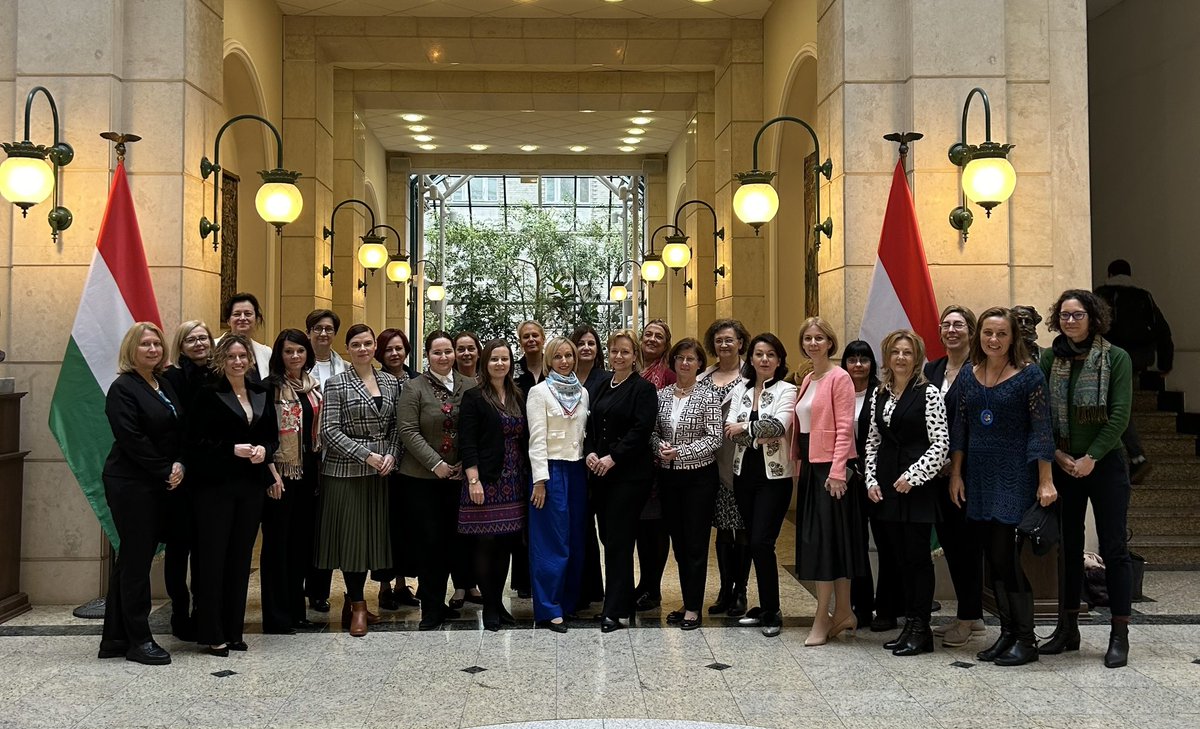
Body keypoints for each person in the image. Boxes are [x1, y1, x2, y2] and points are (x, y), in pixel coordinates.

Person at [949, 307, 1056, 667]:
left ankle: (1026, 640)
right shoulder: (968, 375)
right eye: (987, 333)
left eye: (1001, 334)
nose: (993, 340)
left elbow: (1042, 431)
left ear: (1013, 338)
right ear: (979, 337)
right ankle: (1007, 634)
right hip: (977, 478)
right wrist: (956, 474)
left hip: (1014, 478)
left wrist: (1045, 480)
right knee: (991, 564)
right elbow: (960, 430)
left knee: (1006, 560)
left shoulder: (1029, 377)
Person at [1039, 289, 1134, 669]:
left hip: (1105, 465)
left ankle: (1119, 633)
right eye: (1064, 315)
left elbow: (1120, 415)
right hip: (1064, 465)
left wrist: (1091, 457)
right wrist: (1060, 456)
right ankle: (1067, 628)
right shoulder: (1049, 358)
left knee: (1114, 548)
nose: (1070, 321)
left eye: (1077, 315)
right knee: (1068, 546)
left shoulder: (1116, 358)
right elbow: (1040, 412)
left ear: (1093, 318)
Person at [97, 322, 184, 666]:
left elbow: (179, 430)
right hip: (130, 482)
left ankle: (114, 638)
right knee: (136, 562)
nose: (152, 349)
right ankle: (139, 639)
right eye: (145, 344)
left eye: (157, 344)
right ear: (131, 350)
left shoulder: (162, 384)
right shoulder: (123, 388)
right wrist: (165, 468)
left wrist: (179, 463)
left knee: (131, 560)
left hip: (157, 481)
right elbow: (131, 437)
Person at [188, 334, 277, 655]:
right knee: (213, 560)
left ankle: (234, 631)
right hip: (214, 490)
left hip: (250, 489)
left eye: (243, 356)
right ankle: (212, 633)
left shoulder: (261, 392)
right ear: (220, 361)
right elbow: (194, 444)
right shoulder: (207, 395)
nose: (238, 362)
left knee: (240, 560)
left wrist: (263, 451)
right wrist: (231, 450)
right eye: (231, 357)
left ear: (251, 361)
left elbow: (272, 440)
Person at [865, 330, 950, 656]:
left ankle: (921, 629)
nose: (901, 358)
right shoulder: (879, 394)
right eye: (895, 352)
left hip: (916, 488)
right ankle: (908, 627)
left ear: (917, 358)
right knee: (898, 560)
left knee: (917, 561)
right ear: (887, 357)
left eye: (908, 353)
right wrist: (871, 480)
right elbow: (873, 441)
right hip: (886, 486)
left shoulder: (928, 393)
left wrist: (913, 477)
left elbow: (941, 443)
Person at [316, 324, 400, 637]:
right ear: (348, 349)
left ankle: (354, 603)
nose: (363, 349)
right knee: (351, 541)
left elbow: (396, 428)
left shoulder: (390, 382)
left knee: (371, 541)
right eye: (356, 344)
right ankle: (359, 606)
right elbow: (329, 431)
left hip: (381, 473)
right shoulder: (337, 384)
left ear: (374, 347)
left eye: (367, 343)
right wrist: (367, 455)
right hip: (346, 473)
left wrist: (391, 454)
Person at [790, 319, 866, 645]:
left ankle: (823, 617)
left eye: (819, 338)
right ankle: (845, 611)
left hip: (831, 471)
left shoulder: (840, 377)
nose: (813, 343)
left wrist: (837, 472)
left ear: (830, 342)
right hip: (811, 467)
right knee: (829, 543)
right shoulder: (808, 378)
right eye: (807, 338)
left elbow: (845, 427)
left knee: (827, 545)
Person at [398, 330, 475, 630]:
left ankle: (446, 601)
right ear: (426, 355)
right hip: (422, 479)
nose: (443, 357)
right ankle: (431, 607)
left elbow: (475, 427)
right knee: (429, 543)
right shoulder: (413, 387)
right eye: (437, 352)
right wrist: (437, 464)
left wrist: (461, 464)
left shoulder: (470, 386)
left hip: (459, 477)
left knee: (455, 542)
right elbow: (407, 430)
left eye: (448, 352)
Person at [726, 332, 797, 638]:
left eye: (770, 354)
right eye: (758, 354)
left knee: (761, 542)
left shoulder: (788, 390)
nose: (764, 359)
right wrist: (755, 433)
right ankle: (765, 604)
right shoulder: (740, 389)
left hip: (775, 477)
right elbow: (729, 429)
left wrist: (747, 428)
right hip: (744, 475)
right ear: (750, 359)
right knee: (751, 541)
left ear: (779, 360)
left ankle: (772, 611)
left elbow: (779, 425)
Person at [586, 330, 658, 632]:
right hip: (601, 474)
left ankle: (614, 611)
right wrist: (590, 452)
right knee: (610, 539)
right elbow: (590, 423)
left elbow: (640, 432)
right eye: (614, 351)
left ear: (635, 356)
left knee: (619, 542)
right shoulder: (603, 384)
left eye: (625, 352)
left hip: (628, 477)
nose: (618, 357)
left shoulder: (643, 389)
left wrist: (612, 457)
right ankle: (622, 602)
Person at [924, 305, 986, 648]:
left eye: (958, 325)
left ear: (971, 331)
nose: (951, 330)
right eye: (946, 324)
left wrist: (956, 463)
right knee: (950, 542)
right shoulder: (932, 369)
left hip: (969, 471)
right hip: (937, 472)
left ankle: (967, 618)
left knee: (967, 546)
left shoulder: (979, 370)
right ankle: (970, 616)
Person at [651, 338, 723, 630]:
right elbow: (652, 431)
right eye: (680, 358)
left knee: (695, 544)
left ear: (699, 364)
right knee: (679, 545)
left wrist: (681, 451)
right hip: (669, 478)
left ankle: (694, 608)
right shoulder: (662, 395)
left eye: (691, 359)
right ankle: (687, 599)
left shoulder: (709, 395)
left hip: (699, 479)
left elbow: (715, 437)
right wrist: (660, 448)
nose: (684, 363)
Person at [459, 339, 529, 632]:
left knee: (506, 545)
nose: (500, 364)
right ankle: (489, 606)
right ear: (485, 364)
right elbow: (468, 441)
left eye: (505, 359)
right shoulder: (474, 397)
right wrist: (472, 479)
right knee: (485, 543)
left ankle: (498, 602)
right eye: (494, 359)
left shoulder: (517, 394)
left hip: (514, 479)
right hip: (485, 480)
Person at [259, 329, 322, 634]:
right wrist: (269, 473)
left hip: (308, 473)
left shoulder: (312, 387)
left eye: (300, 351)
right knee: (277, 546)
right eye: (288, 352)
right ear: (278, 355)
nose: (295, 356)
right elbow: (262, 435)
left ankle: (297, 611)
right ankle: (276, 616)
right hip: (280, 475)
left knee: (300, 546)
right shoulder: (269, 388)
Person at [526, 336, 590, 633]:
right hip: (550, 472)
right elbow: (536, 440)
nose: (565, 361)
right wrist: (540, 481)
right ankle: (548, 609)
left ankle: (567, 603)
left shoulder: (583, 392)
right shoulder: (539, 393)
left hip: (577, 471)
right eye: (558, 357)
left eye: (569, 356)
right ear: (549, 360)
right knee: (552, 543)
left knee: (575, 540)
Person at [1095, 258, 1174, 483]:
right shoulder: (1144, 296)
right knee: (1118, 402)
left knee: (1115, 406)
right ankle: (1130, 456)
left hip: (1111, 357)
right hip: (1139, 358)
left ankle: (1137, 456)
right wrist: (1165, 365)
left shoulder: (1101, 294)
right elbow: (1163, 332)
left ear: (1109, 273)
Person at [160, 319, 213, 641]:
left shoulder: (220, 375)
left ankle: (202, 610)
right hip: (181, 475)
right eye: (191, 339)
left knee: (206, 549)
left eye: (203, 338)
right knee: (179, 549)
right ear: (180, 345)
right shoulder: (170, 378)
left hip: (210, 476)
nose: (198, 344)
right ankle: (179, 611)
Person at [700, 319, 752, 619]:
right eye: (719, 340)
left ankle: (741, 591)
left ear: (741, 342)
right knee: (722, 530)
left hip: (742, 461)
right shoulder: (705, 377)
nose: (724, 344)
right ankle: (724, 589)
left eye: (730, 339)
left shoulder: (751, 375)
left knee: (742, 528)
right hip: (711, 463)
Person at [840, 339, 892, 632]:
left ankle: (886, 607)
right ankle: (861, 607)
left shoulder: (883, 393)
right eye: (852, 359)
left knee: (885, 544)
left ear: (873, 363)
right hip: (847, 479)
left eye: (864, 359)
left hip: (879, 479)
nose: (858, 364)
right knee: (856, 545)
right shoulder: (838, 390)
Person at [372, 327, 419, 610]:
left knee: (405, 528)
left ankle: (402, 584)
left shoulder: (417, 380)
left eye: (399, 348)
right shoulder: (374, 380)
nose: (394, 353)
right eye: (388, 349)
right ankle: (384, 586)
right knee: (383, 526)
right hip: (383, 463)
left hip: (410, 466)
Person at [633, 318, 675, 611]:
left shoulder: (670, 376)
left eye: (658, 336)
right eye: (647, 334)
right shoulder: (629, 370)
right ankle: (642, 584)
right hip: (632, 462)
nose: (651, 339)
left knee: (656, 527)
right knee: (638, 527)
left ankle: (653, 587)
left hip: (659, 462)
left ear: (666, 343)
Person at [570, 324, 608, 609]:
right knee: (579, 529)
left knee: (603, 532)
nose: (585, 348)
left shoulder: (606, 380)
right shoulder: (562, 379)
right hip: (571, 463)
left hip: (602, 464)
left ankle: (598, 589)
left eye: (591, 343)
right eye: (580, 343)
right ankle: (579, 589)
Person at [510, 320, 545, 598]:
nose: (531, 340)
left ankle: (545, 577)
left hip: (549, 451)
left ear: (543, 339)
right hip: (519, 453)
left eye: (535, 335)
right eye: (525, 336)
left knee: (543, 517)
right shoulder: (513, 372)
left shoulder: (555, 367)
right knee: (522, 517)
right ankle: (524, 581)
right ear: (520, 341)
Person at [218, 293, 272, 380]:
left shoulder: (266, 353)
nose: (242, 318)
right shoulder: (213, 347)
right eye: (237, 314)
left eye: (248, 314)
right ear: (228, 320)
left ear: (257, 319)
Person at [306, 309, 348, 389]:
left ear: (335, 334)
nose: (323, 334)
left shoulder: (347, 368)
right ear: (308, 333)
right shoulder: (297, 366)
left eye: (329, 329)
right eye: (318, 328)